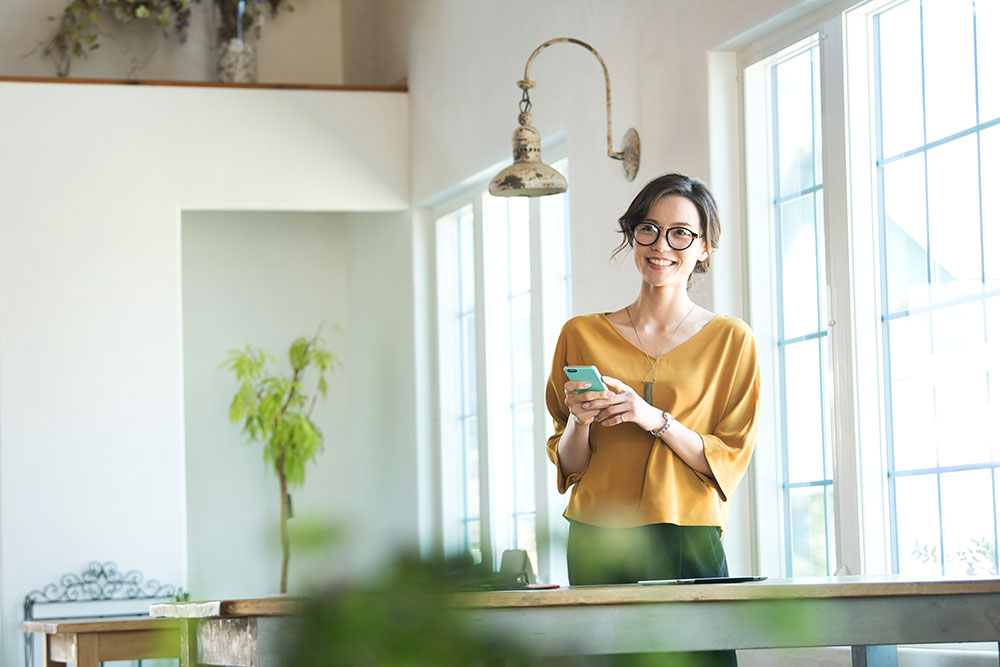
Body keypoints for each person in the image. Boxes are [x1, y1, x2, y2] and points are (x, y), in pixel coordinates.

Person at [545, 173, 760, 666]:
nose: (662, 245)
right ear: (632, 236)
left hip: (687, 534)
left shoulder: (733, 341)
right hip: (599, 535)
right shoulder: (580, 334)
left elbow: (725, 463)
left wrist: (652, 418)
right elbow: (570, 465)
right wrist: (579, 421)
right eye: (648, 228)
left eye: (681, 232)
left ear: (704, 247)